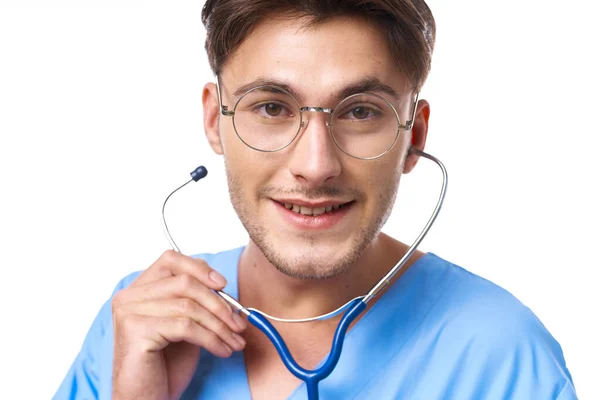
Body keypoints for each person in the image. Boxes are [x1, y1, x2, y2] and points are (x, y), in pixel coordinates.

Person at [54, 0, 577, 399]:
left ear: (414, 136)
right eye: (273, 107)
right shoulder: (138, 323)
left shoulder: (503, 355)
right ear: (215, 121)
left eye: (360, 112)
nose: (315, 165)